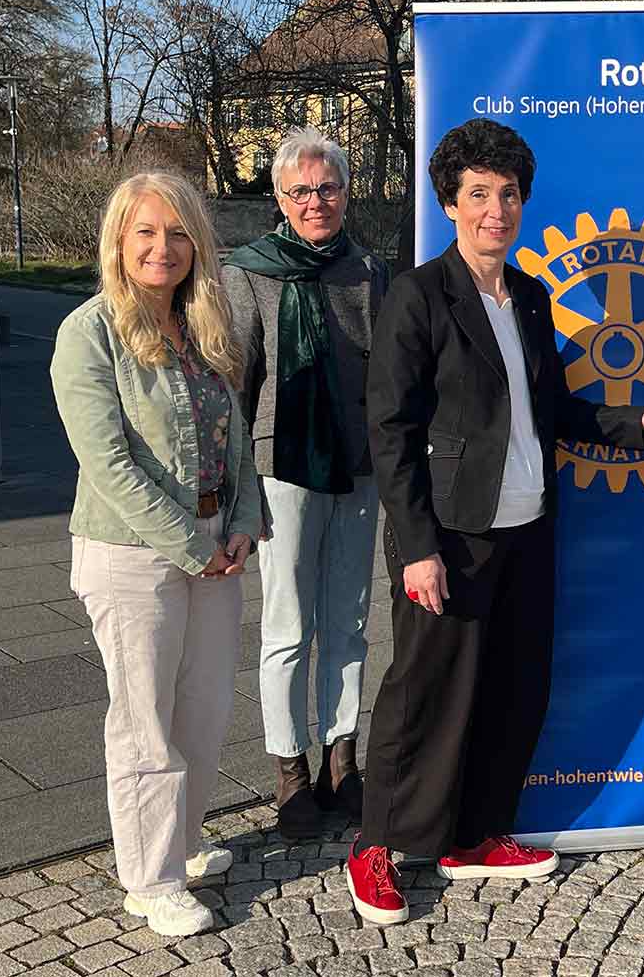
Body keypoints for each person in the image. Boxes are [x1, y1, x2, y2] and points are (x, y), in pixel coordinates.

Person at [346, 117, 644, 923]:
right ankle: (375, 847)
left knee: (511, 689)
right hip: (452, 536)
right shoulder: (419, 296)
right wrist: (416, 550)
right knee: (422, 692)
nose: (495, 209)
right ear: (451, 202)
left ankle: (475, 834)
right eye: (478, 195)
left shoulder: (529, 296)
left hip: (528, 528)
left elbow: (556, 409)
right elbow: (390, 431)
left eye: (507, 194)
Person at [52, 172, 261, 936]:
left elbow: (235, 435)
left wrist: (241, 518)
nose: (162, 248)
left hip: (216, 548)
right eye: (146, 231)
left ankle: (182, 839)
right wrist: (188, 543)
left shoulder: (206, 327)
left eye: (177, 233)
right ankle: (149, 878)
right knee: (144, 719)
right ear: (119, 240)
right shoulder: (90, 332)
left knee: (203, 713)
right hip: (131, 550)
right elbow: (108, 461)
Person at [223, 127, 389, 839]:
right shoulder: (248, 268)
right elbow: (235, 380)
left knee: (349, 619)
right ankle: (290, 770)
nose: (315, 201)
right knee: (288, 623)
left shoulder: (370, 271)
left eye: (327, 188)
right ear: (280, 198)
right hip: (282, 460)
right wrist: (233, 486)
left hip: (358, 463)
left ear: (346, 194)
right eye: (300, 190)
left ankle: (341, 758)